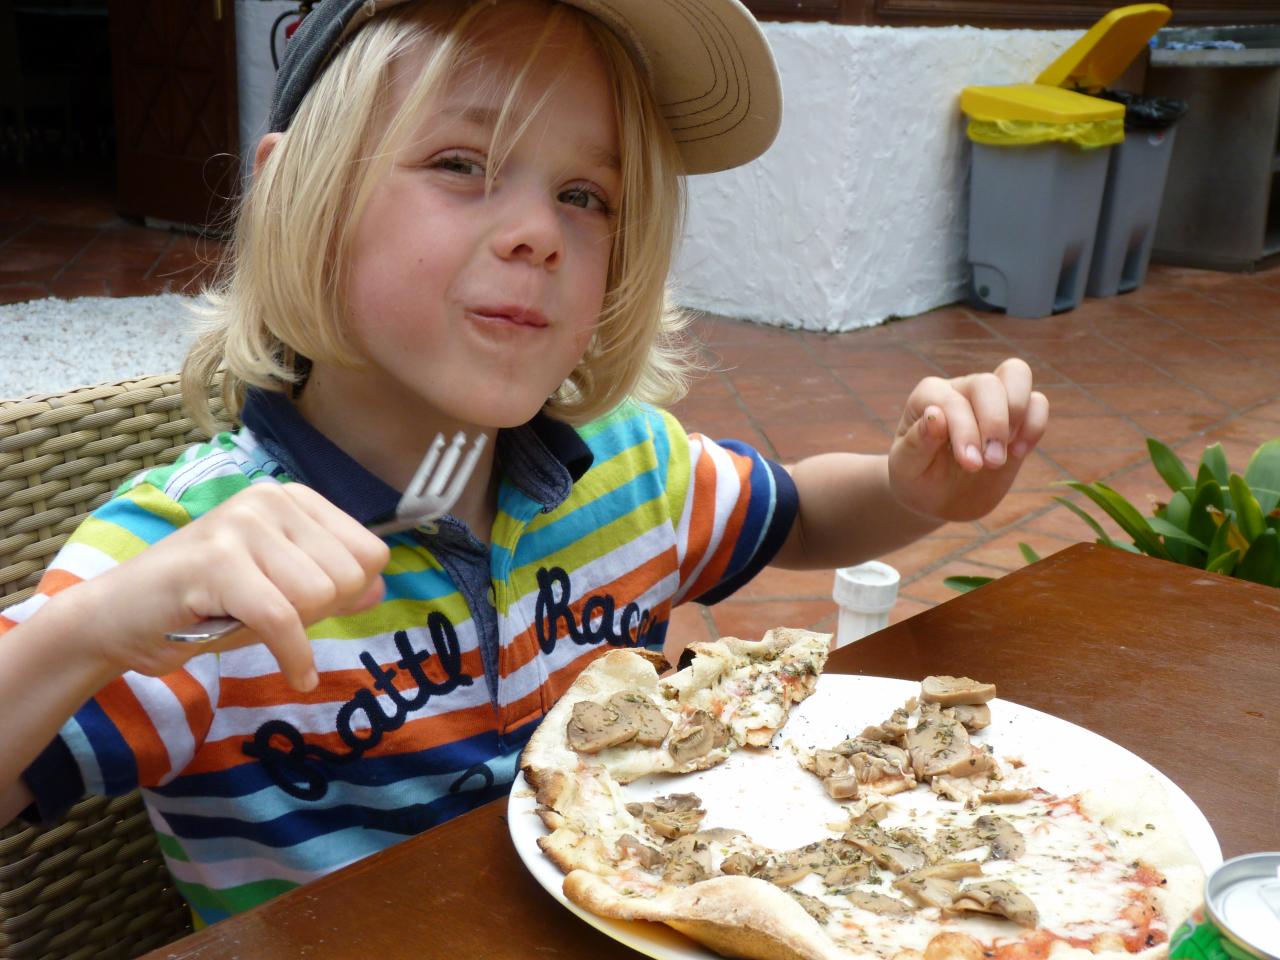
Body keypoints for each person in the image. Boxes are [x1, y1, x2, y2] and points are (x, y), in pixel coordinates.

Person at [0, 0, 1048, 927]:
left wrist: (910, 489)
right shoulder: (189, 562)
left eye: (586, 195)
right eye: (461, 164)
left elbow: (802, 517)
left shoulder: (627, 469)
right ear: (294, 195)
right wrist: (97, 628)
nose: (539, 233)